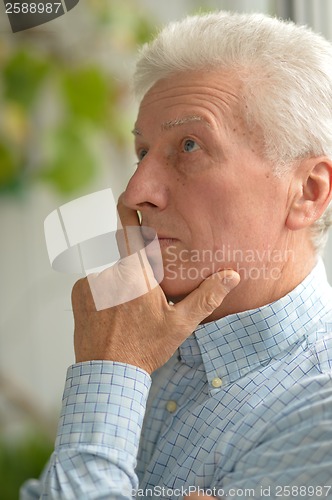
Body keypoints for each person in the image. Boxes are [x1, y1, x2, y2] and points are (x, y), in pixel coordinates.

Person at [21, 10, 332, 500]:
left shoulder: (322, 413)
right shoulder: (144, 332)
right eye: (143, 152)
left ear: (307, 193)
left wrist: (109, 371)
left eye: (189, 145)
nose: (135, 192)